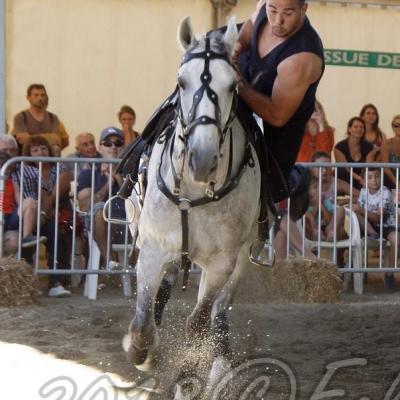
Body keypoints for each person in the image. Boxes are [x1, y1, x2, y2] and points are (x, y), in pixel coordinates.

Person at [233, 0, 324, 202]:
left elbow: (277, 115)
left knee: (264, 194)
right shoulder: (264, 7)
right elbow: (251, 24)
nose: (278, 21)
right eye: (272, 10)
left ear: (304, 9)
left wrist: (239, 85)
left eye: (288, 13)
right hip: (244, 79)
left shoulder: (302, 58)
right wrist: (238, 44)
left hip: (276, 131)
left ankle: (292, 183)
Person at [22, 135, 73, 297]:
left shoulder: (60, 167)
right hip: (30, 216)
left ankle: (57, 283)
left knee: (57, 234)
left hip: (54, 214)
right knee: (26, 238)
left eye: (43, 148)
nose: (40, 152)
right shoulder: (25, 170)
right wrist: (41, 211)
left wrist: (45, 210)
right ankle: (26, 284)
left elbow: (56, 194)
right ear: (29, 154)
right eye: (35, 150)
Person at [77, 127, 126, 266]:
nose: (113, 147)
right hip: (99, 227)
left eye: (117, 143)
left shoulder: (132, 173)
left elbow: (137, 202)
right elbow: (85, 206)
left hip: (128, 224)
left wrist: (119, 178)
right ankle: (111, 262)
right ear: (100, 147)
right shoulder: (88, 173)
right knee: (99, 209)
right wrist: (108, 184)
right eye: (107, 143)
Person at [353, 168, 398, 291]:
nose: (374, 180)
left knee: (397, 239)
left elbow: (378, 218)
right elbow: (361, 214)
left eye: (377, 176)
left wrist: (359, 209)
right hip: (369, 226)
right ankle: (353, 267)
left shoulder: (385, 192)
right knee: (354, 217)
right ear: (363, 181)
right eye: (370, 177)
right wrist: (358, 210)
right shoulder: (363, 192)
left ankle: (389, 273)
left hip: (385, 225)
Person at [12, 83, 69, 150]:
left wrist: (31, 137)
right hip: (27, 159)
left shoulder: (53, 118)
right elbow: (23, 140)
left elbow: (55, 140)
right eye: (36, 95)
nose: (40, 98)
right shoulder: (21, 117)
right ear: (28, 97)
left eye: (42, 95)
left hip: (49, 159)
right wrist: (48, 137)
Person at [334, 116, 375, 190]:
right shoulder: (339, 147)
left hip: (362, 179)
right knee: (340, 170)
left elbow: (368, 167)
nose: (359, 129)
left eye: (361, 127)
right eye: (355, 127)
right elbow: (345, 169)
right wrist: (359, 179)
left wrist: (363, 179)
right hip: (345, 178)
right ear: (349, 129)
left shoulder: (369, 147)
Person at [380, 114, 400, 189]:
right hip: (391, 178)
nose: (399, 128)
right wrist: (397, 183)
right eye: (396, 125)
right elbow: (386, 166)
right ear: (392, 127)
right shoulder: (387, 143)